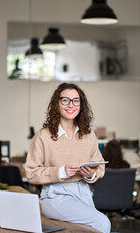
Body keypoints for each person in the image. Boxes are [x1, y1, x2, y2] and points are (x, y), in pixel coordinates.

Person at [25, 83, 111, 233]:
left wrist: (91, 174)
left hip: (83, 192)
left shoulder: (88, 135)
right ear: (56, 104)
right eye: (65, 100)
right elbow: (31, 173)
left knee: (88, 229)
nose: (71, 105)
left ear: (81, 105)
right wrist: (61, 172)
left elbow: (100, 167)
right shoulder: (43, 136)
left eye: (76, 101)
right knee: (102, 223)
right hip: (55, 195)